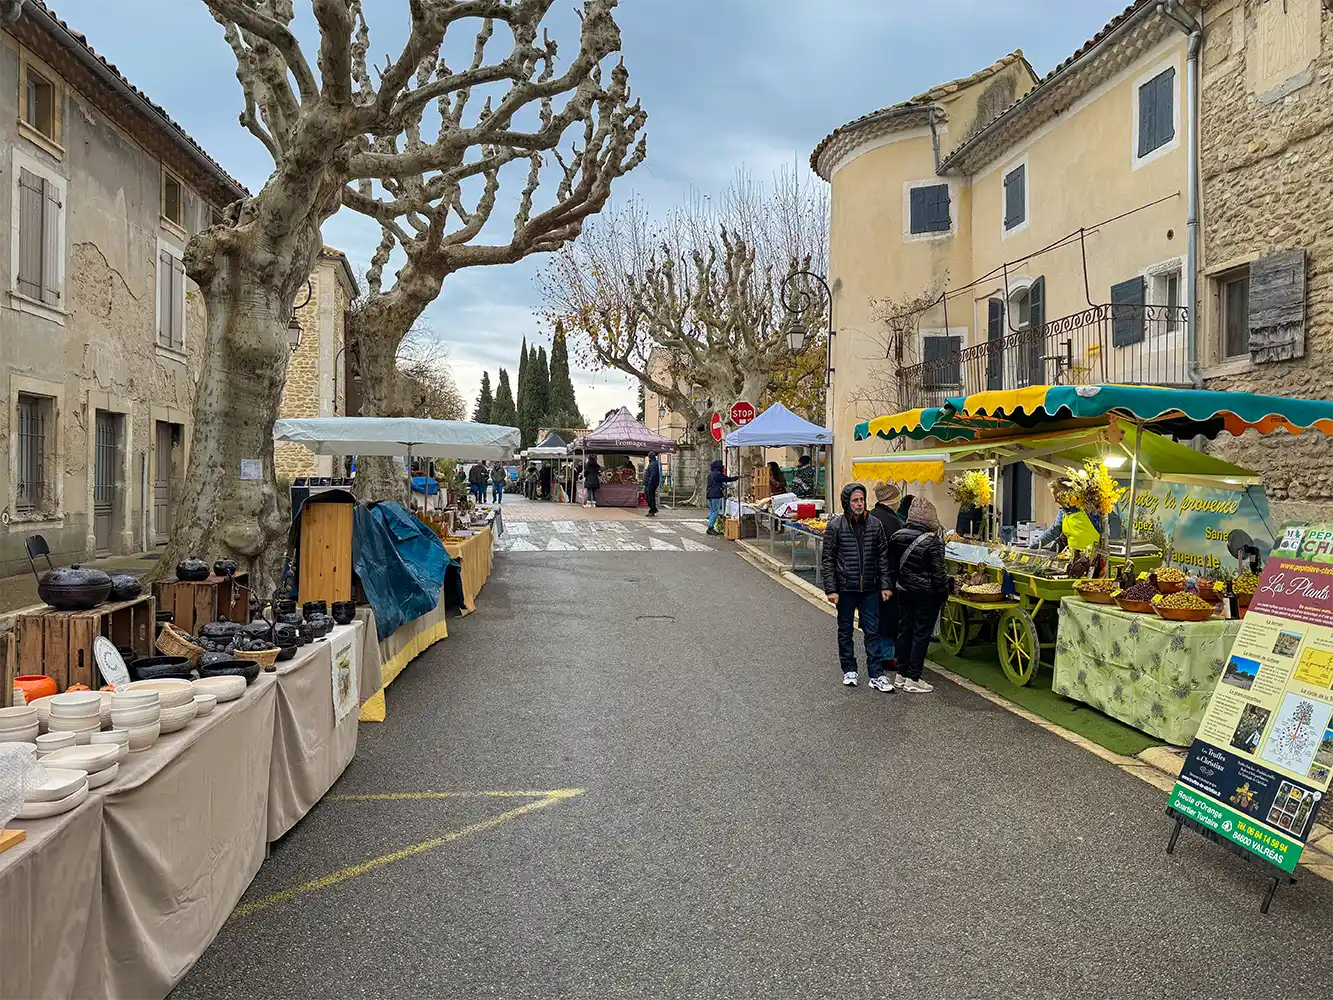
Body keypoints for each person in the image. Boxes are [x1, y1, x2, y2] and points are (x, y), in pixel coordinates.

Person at [821, 483, 894, 691]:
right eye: (855, 500)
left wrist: (886, 585)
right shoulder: (835, 526)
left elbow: (883, 557)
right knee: (845, 630)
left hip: (870, 588)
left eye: (862, 499)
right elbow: (828, 559)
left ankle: (876, 674)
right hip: (845, 587)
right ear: (847, 502)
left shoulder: (875, 525)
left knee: (872, 631)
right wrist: (831, 589)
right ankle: (849, 669)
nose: (859, 504)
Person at [887, 496, 949, 694]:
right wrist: (944, 594)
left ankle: (901, 674)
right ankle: (914, 678)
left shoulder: (897, 536)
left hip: (903, 591)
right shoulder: (933, 541)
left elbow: (890, 566)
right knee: (921, 635)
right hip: (926, 595)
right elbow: (939, 574)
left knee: (904, 631)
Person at [868, 480, 904, 674]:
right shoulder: (892, 522)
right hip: (887, 576)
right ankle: (887, 657)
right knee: (889, 618)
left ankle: (876, 653)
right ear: (893, 501)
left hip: (870, 575)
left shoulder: (870, 516)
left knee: (876, 616)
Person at [706, 459, 738, 535]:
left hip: (709, 495)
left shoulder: (711, 474)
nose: (722, 467)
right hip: (715, 495)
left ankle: (711, 526)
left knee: (712, 511)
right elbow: (726, 479)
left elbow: (720, 483)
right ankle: (710, 528)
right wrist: (735, 478)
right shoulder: (717, 474)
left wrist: (729, 486)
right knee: (715, 512)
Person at [644, 452, 662, 517]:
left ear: (649, 457)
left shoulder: (653, 464)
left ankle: (652, 510)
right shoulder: (653, 463)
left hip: (650, 484)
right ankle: (653, 509)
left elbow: (653, 475)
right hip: (650, 483)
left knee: (649, 497)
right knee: (649, 496)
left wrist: (649, 483)